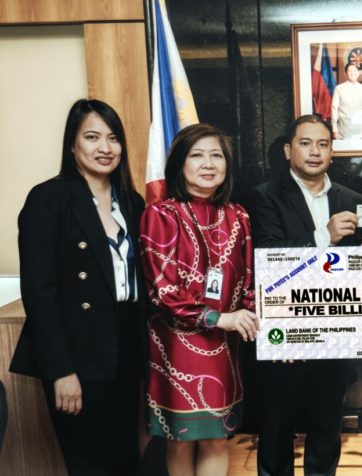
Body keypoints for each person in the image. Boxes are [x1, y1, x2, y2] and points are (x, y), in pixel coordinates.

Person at [10, 98, 145, 475]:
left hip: (126, 347)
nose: (105, 148)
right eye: (92, 137)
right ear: (73, 145)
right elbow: (40, 294)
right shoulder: (49, 199)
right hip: (77, 353)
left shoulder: (132, 203)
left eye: (113, 138)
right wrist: (61, 371)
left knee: (125, 459)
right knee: (89, 464)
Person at [140, 123, 259, 476]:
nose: (208, 163)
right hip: (176, 346)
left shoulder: (238, 215)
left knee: (217, 438)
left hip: (225, 346)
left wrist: (252, 317)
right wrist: (219, 318)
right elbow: (163, 291)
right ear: (180, 163)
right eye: (197, 155)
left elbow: (249, 280)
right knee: (182, 438)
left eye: (216, 155)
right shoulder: (161, 214)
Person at [249, 114, 362, 476]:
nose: (315, 152)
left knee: (328, 426)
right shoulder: (264, 196)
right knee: (277, 426)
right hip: (285, 329)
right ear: (287, 150)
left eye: (323, 144)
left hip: (336, 328)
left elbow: (359, 270)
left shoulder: (352, 197)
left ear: (332, 152)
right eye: (305, 143)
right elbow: (267, 255)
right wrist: (324, 236)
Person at [331, 63, 362, 140]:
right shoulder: (339, 88)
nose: (352, 73)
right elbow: (334, 109)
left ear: (358, 72)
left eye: (355, 71)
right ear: (346, 73)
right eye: (350, 71)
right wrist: (334, 130)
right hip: (344, 128)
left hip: (359, 128)